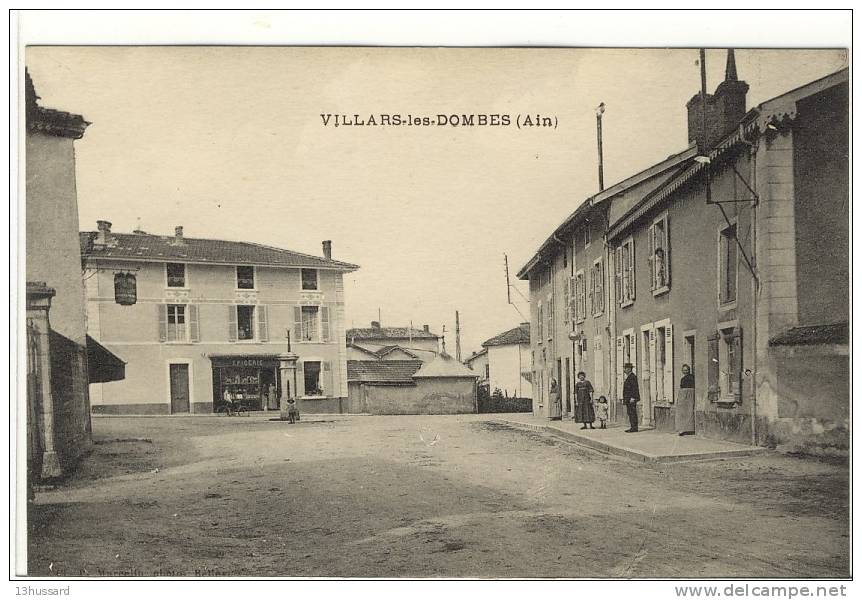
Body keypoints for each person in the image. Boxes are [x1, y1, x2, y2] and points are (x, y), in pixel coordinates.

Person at [675, 364, 696, 436]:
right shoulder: (683, 379)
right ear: (682, 371)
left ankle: (688, 429)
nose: (685, 372)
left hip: (689, 396)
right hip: (684, 396)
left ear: (689, 370)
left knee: (688, 412)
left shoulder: (692, 378)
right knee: (683, 413)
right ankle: (684, 429)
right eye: (684, 370)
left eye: (686, 370)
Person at [622, 362, 640, 433]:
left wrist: (633, 397)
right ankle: (633, 427)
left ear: (629, 369)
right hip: (629, 398)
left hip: (631, 399)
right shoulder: (629, 377)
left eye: (625, 368)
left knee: (632, 413)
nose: (624, 370)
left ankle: (634, 428)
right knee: (630, 412)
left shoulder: (632, 377)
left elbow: (634, 388)